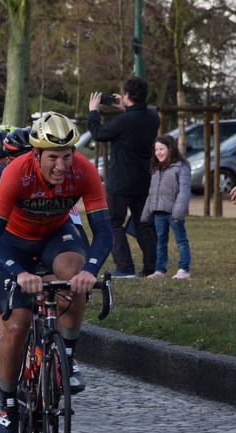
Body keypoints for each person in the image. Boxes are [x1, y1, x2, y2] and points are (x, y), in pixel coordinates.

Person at [0, 112, 113, 433]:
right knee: (17, 324)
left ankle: (66, 353)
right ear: (36, 154)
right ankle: (8, 406)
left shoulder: (82, 171)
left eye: (66, 156)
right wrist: (17, 272)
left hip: (56, 235)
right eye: (52, 157)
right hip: (12, 243)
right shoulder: (15, 174)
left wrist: (90, 271)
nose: (61, 165)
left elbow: (103, 231)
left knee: (75, 270)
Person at [88, 76, 160, 278]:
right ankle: (150, 268)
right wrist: (126, 108)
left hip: (120, 182)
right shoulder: (153, 117)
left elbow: (98, 133)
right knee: (144, 224)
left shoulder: (123, 121)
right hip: (144, 180)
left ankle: (125, 267)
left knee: (112, 223)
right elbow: (136, 121)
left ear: (126, 95)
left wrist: (93, 111)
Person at [141, 135, 192, 280]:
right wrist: (146, 214)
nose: (158, 152)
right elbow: (151, 193)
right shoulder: (156, 168)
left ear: (170, 149)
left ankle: (184, 269)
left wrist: (178, 213)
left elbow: (184, 191)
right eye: (156, 149)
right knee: (160, 242)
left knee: (181, 241)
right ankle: (159, 270)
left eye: (162, 149)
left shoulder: (181, 167)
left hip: (174, 212)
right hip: (158, 212)